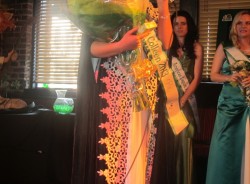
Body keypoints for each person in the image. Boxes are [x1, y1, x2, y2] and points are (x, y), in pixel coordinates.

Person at [71, 0, 173, 184]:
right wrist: (122, 46)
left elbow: (165, 43)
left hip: (146, 83)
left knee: (142, 146)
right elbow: (91, 48)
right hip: (115, 84)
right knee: (116, 147)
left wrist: (163, 5)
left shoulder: (150, 5)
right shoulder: (106, 3)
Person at [150, 10, 203, 184]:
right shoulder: (165, 47)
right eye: (176, 24)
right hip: (166, 101)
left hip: (184, 101)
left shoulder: (196, 47)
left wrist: (182, 100)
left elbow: (196, 79)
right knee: (166, 144)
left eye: (183, 23)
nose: (179, 27)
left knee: (183, 144)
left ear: (189, 26)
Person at [206, 10, 250, 184]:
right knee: (225, 148)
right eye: (239, 23)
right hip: (229, 106)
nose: (243, 26)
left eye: (247, 23)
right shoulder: (226, 47)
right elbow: (213, 75)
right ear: (234, 26)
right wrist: (229, 77)